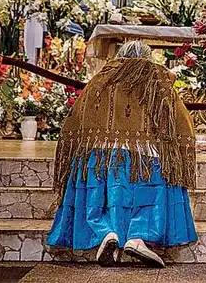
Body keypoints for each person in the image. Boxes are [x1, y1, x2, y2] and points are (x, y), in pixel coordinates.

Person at [47, 41, 197, 268]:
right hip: (146, 157)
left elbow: (80, 116)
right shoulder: (158, 80)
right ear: (148, 58)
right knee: (150, 190)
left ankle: (107, 232)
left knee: (100, 192)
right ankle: (138, 237)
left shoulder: (103, 78)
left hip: (102, 153)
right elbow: (178, 120)